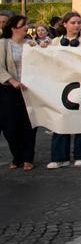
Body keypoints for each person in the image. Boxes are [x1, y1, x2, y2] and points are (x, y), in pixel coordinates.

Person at [44, 12, 81, 169]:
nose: (77, 25)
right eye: (73, 22)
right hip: (62, 85)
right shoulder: (56, 41)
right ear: (65, 24)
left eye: (79, 22)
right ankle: (60, 157)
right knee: (60, 120)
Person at [1, 15, 37, 171]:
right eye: (23, 25)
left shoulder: (30, 44)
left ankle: (28, 157)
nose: (26, 27)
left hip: (29, 89)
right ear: (14, 28)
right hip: (9, 90)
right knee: (10, 126)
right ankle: (17, 155)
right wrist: (12, 80)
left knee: (29, 123)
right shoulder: (3, 44)